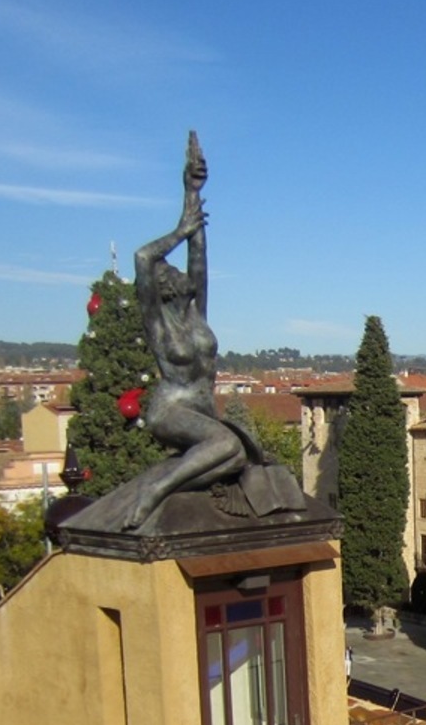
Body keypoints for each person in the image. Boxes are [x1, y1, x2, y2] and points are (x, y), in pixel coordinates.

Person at [83, 132, 298, 531]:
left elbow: (199, 250)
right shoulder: (159, 323)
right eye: (169, 272)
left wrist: (192, 189)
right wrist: (180, 229)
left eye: (177, 269)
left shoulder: (197, 311)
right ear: (159, 287)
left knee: (235, 458)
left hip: (201, 413)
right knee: (227, 446)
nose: (177, 271)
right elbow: (144, 256)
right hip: (171, 411)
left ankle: (168, 487)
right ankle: (155, 491)